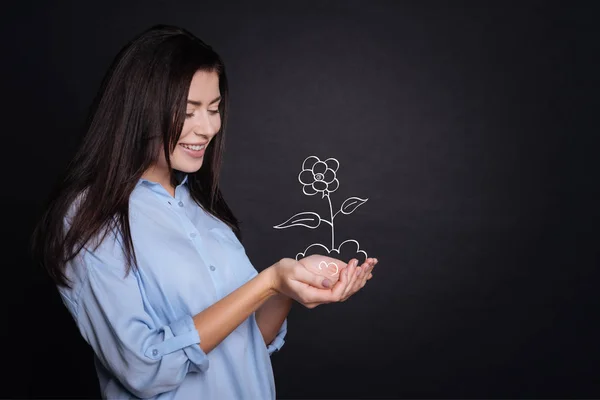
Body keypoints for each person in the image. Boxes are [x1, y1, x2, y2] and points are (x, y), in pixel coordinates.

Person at [31, 24, 377, 399]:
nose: (209, 127)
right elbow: (143, 366)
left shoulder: (201, 208)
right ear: (138, 110)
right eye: (188, 111)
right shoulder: (90, 216)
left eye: (214, 109)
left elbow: (246, 345)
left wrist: (288, 288)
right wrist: (268, 282)